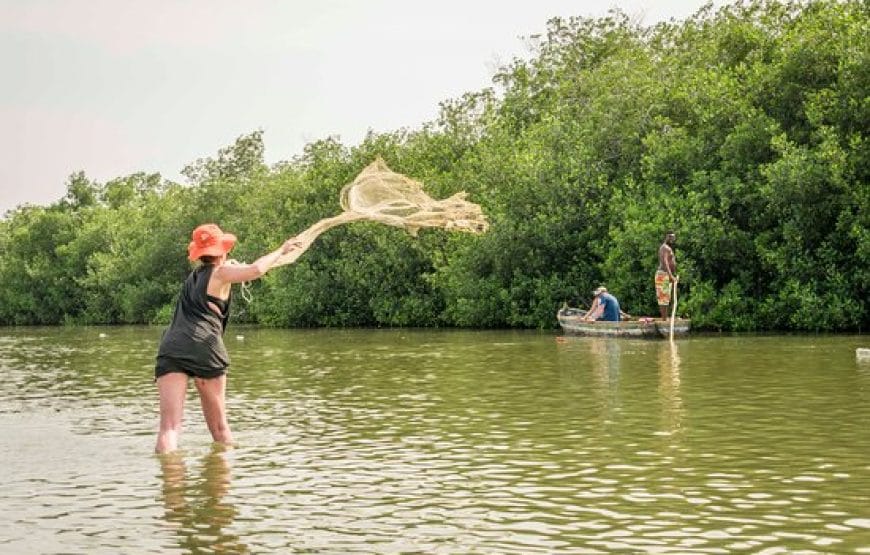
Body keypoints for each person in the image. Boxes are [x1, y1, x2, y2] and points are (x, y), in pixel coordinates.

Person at [154, 223, 301, 453]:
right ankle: (222, 484)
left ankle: (170, 485)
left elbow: (225, 275)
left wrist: (230, 266)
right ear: (222, 250)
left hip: (171, 347)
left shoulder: (193, 278)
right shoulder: (221, 273)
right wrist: (281, 250)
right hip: (205, 348)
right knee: (220, 430)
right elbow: (256, 270)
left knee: (169, 428)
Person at [655, 231, 679, 320]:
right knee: (663, 298)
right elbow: (665, 262)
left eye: (673, 238)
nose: (672, 239)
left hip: (666, 275)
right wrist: (671, 276)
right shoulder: (664, 248)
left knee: (666, 298)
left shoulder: (668, 248)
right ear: (667, 237)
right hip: (663, 275)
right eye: (671, 237)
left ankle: (665, 318)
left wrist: (673, 276)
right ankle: (664, 319)